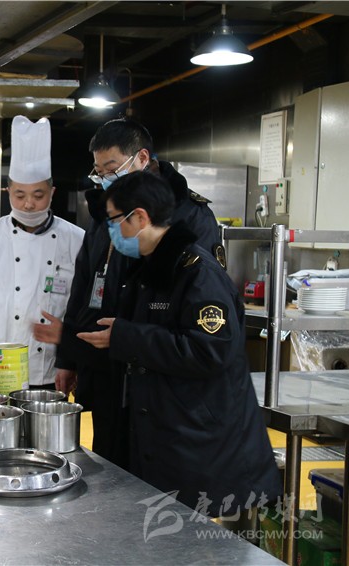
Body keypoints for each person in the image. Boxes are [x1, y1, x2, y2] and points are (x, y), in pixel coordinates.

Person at [76, 171, 280, 515]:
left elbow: (208, 350)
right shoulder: (149, 269)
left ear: (140, 217)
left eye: (114, 220)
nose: (111, 231)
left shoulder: (197, 273)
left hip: (204, 443)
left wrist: (126, 337)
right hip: (171, 434)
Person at [37, 118, 222, 468]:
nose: (105, 178)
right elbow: (85, 281)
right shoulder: (106, 210)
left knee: (155, 475)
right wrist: (70, 357)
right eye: (99, 172)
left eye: (112, 168)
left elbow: (192, 307)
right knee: (110, 467)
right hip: (106, 369)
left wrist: (129, 337)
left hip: (159, 377)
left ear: (142, 158)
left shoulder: (190, 215)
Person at [0, 116, 84, 388]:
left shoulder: (76, 238)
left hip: (51, 371)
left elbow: (80, 307)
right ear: (8, 191)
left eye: (38, 195)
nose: (28, 204)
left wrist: (70, 361)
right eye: (19, 195)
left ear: (52, 192)